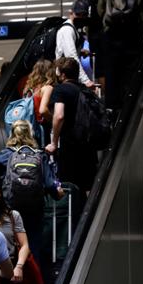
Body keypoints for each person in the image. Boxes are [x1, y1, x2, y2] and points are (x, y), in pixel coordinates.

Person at [0, 120, 63, 275]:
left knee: (9, 243)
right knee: (32, 245)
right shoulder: (39, 155)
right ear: (31, 134)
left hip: (11, 207)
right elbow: (51, 185)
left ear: (12, 134)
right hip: (35, 209)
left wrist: (1, 188)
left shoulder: (6, 155)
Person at [46, 57, 98, 195]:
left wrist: (53, 143)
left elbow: (59, 115)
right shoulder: (87, 91)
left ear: (62, 74)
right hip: (89, 146)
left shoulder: (61, 90)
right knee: (87, 187)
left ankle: (75, 215)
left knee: (69, 187)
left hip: (70, 146)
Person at [97, 0, 143, 110]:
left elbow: (100, 9)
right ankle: (132, 106)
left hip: (112, 36)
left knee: (112, 75)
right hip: (134, 37)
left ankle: (113, 111)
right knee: (133, 74)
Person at [55, 0, 95, 88]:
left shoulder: (74, 29)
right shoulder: (67, 30)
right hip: (64, 77)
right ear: (71, 13)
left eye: (83, 15)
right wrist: (86, 81)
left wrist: (80, 52)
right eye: (78, 14)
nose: (80, 17)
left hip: (69, 76)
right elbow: (71, 56)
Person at [23, 59, 57, 148]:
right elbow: (43, 110)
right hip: (42, 129)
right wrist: (55, 121)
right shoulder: (47, 88)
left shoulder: (28, 88)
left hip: (29, 127)